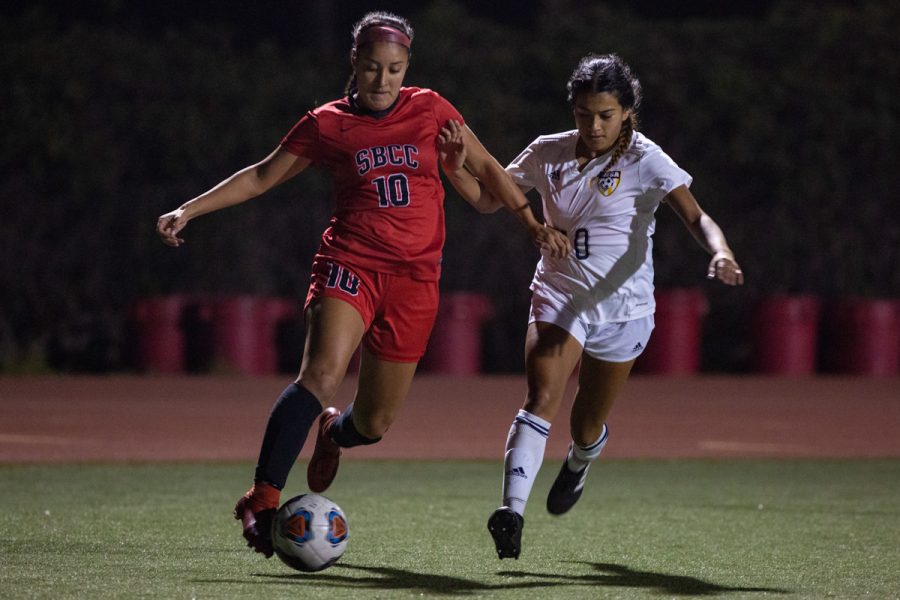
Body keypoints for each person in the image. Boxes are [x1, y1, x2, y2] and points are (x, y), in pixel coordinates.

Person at [155, 11, 569, 558]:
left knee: (373, 422)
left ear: (407, 67)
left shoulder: (432, 108)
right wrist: (190, 209)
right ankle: (263, 495)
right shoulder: (327, 123)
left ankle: (333, 435)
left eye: (395, 69)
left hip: (416, 280)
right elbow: (261, 174)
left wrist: (534, 226)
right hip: (349, 263)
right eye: (373, 67)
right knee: (321, 373)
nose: (383, 80)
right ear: (355, 63)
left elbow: (490, 171)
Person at [447, 53, 744, 559]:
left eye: (605, 114)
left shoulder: (646, 159)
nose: (594, 124)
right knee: (542, 394)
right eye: (584, 114)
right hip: (560, 295)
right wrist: (454, 169)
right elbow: (486, 201)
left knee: (586, 424)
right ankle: (511, 513)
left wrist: (720, 251)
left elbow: (697, 218)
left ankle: (581, 461)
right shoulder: (547, 152)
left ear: (626, 111)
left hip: (623, 310)